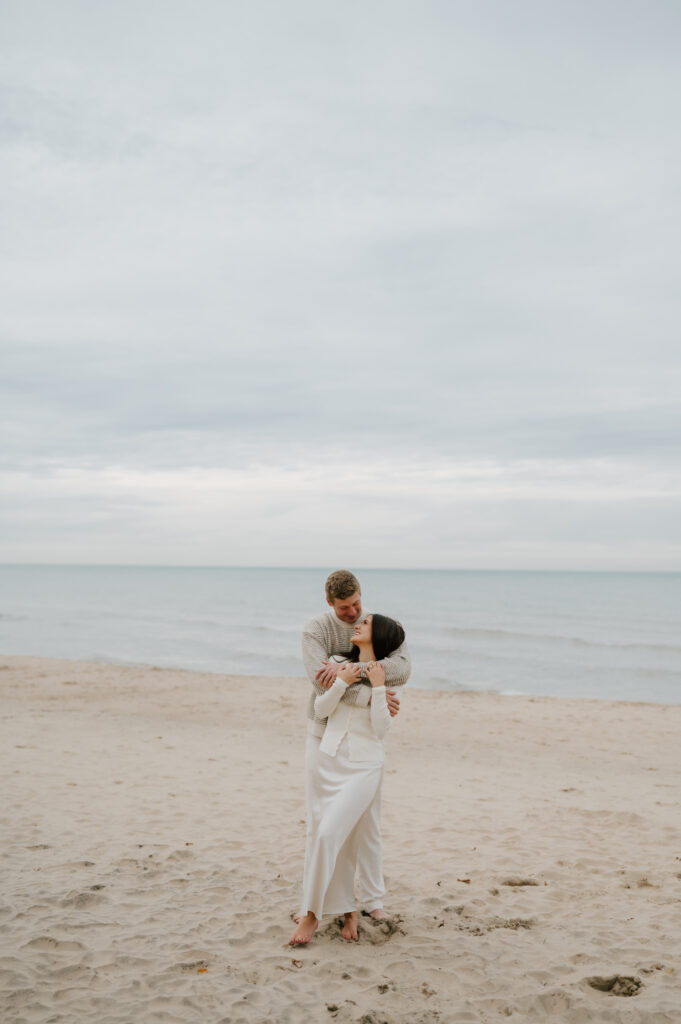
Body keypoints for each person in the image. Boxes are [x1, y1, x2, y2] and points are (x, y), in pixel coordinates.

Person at [289, 570, 410, 944]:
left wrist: (354, 673)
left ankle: (373, 900)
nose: (355, 613)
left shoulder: (383, 627)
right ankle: (326, 904)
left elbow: (401, 670)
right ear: (330, 603)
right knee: (321, 826)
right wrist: (372, 693)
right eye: (346, 608)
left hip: (364, 748)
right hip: (325, 739)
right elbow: (318, 683)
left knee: (367, 826)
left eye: (358, 604)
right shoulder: (316, 630)